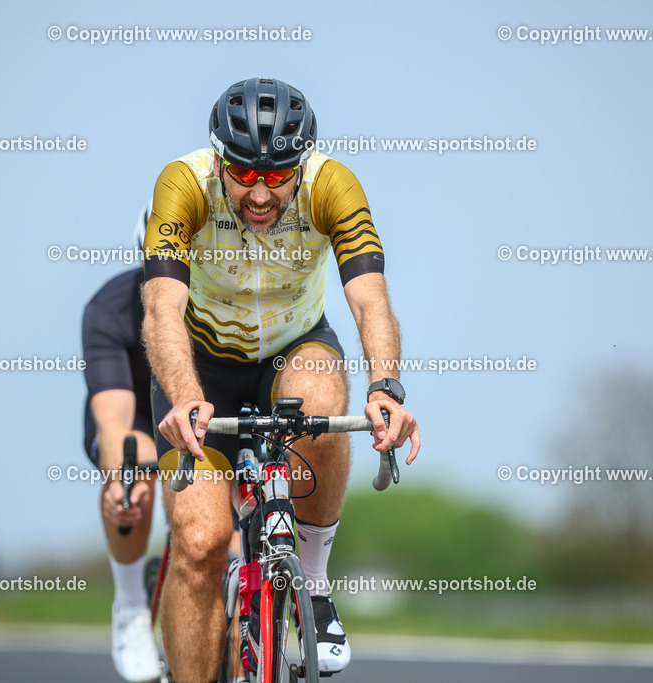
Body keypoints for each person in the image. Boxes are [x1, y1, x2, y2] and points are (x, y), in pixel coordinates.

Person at [142, 77, 420, 682]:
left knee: (323, 396)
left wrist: (386, 387)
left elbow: (370, 300)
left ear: (302, 163)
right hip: (200, 364)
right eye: (244, 174)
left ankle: (314, 585)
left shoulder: (332, 186)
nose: (261, 193)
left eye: (278, 175)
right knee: (199, 545)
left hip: (294, 347)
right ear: (219, 162)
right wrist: (186, 396)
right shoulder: (182, 184)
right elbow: (162, 307)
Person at [81, 208, 160, 682]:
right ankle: (130, 603)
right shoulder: (108, 308)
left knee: (229, 548)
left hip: (204, 416)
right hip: (137, 419)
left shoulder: (227, 301)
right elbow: (113, 421)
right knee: (139, 476)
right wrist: (121, 481)